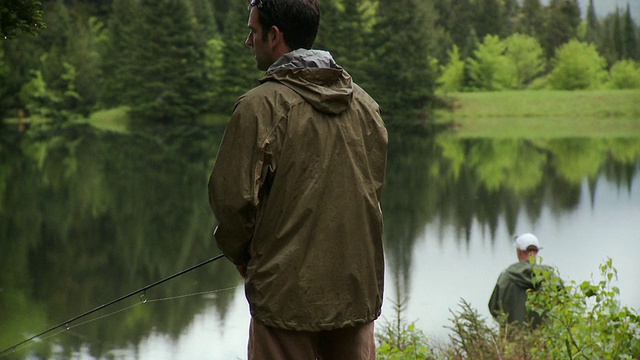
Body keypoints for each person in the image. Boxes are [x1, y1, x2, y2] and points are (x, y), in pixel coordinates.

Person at [207, 0, 388, 358]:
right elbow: (373, 188)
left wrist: (244, 256)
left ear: (275, 36)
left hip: (285, 300)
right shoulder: (366, 105)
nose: (248, 41)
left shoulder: (259, 106)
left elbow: (231, 202)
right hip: (356, 292)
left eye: (253, 32)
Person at [488, 233, 549, 327]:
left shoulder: (506, 277)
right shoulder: (550, 277)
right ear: (537, 251)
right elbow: (564, 307)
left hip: (513, 338)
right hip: (545, 338)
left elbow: (494, 308)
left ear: (519, 251)